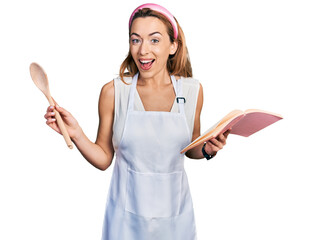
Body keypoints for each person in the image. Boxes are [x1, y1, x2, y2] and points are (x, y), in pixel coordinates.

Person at [44, 3, 230, 240]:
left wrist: (206, 148)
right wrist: (76, 133)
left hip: (176, 220)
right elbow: (103, 159)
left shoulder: (193, 91)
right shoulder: (114, 92)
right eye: (135, 40)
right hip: (124, 222)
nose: (143, 50)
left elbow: (189, 146)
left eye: (154, 40)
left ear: (173, 46)